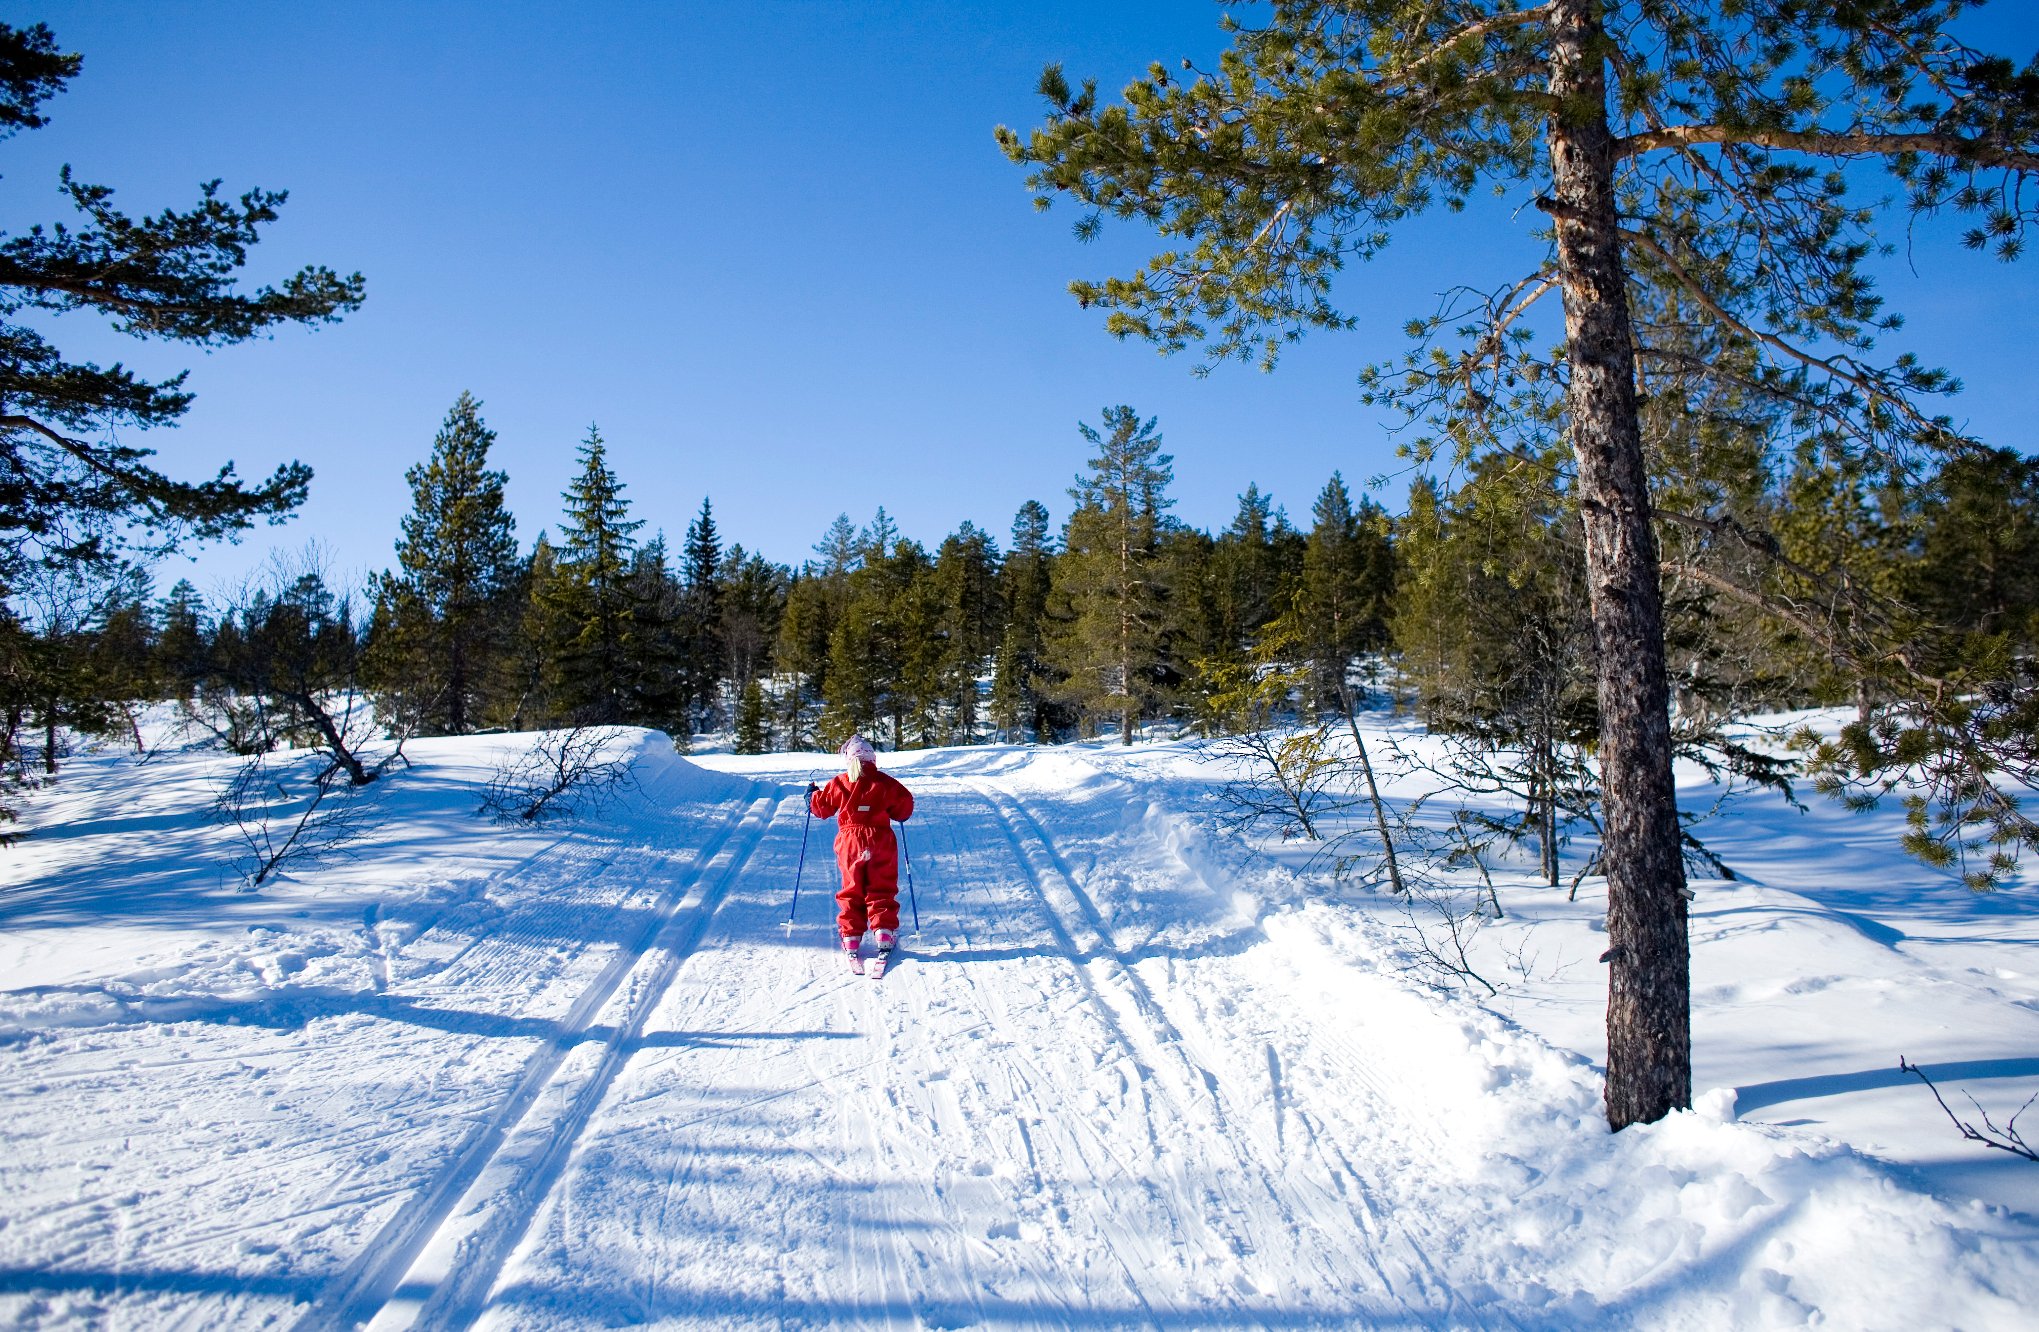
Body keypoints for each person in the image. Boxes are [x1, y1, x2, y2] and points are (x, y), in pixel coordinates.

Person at [807, 734, 915, 966]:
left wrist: (811, 796)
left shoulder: (840, 782)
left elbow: (821, 807)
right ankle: (884, 931)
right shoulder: (885, 782)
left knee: (852, 888)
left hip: (850, 842)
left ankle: (851, 936)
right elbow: (904, 808)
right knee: (881, 887)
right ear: (872, 760)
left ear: (849, 760)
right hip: (880, 839)